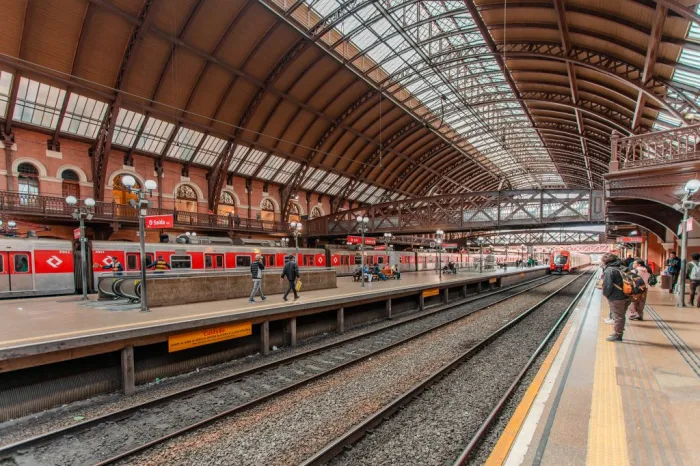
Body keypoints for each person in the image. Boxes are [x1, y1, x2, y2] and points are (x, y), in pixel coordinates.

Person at [601, 253, 631, 342]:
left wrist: (606, 294)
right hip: (626, 295)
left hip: (616, 297)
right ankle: (619, 332)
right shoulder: (622, 267)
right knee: (621, 316)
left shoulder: (609, 270)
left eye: (602, 260)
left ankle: (618, 335)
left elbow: (607, 285)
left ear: (606, 261)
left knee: (618, 317)